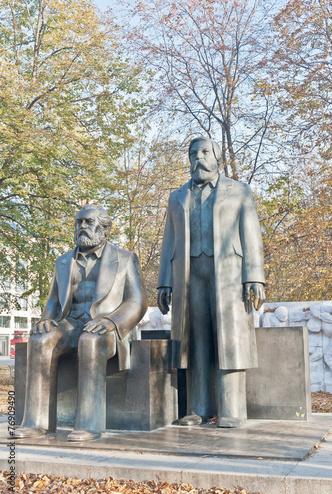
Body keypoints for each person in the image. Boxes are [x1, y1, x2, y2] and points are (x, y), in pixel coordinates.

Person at [14, 204, 147, 441]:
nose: (82, 227)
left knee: (90, 340)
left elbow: (137, 302)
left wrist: (112, 321)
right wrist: (46, 320)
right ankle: (36, 422)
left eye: (88, 222)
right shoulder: (63, 262)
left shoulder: (125, 259)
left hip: (106, 327)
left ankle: (89, 424)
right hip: (71, 323)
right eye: (79, 222)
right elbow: (54, 301)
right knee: (40, 339)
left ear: (105, 229)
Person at [157, 137, 265, 428]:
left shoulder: (239, 191)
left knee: (229, 341)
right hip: (189, 275)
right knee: (196, 341)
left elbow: (251, 235)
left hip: (229, 275)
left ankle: (232, 410)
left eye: (205, 152)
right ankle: (198, 408)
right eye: (193, 153)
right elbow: (169, 241)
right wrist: (164, 282)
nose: (198, 158)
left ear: (217, 158)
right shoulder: (178, 196)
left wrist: (254, 276)